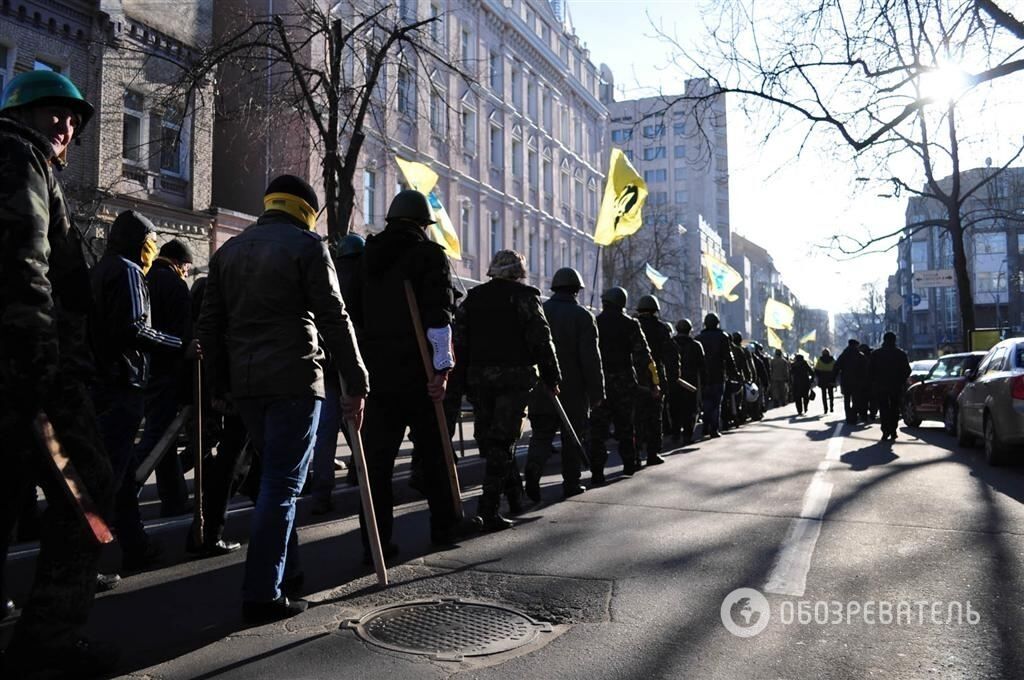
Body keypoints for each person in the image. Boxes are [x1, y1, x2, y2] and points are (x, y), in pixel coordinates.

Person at [198, 174, 368, 623]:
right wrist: (357, 381)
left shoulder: (230, 250)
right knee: (282, 487)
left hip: (246, 385)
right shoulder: (309, 247)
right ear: (306, 210)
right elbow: (334, 316)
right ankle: (262, 593)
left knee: (276, 485)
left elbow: (210, 324)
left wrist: (218, 387)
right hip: (295, 379)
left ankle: (287, 575)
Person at [0, 69, 118, 677]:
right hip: (29, 373)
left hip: (20, 369)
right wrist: (42, 370)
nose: (67, 125)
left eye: (74, 118)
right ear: (21, 111)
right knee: (87, 495)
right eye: (54, 111)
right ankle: (47, 640)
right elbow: (26, 269)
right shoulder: (20, 159)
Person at [347, 189, 478, 552]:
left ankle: (374, 541)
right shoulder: (427, 256)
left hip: (377, 375)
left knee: (376, 465)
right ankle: (445, 529)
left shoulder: (365, 256)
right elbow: (439, 319)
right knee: (435, 456)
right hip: (418, 374)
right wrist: (442, 372)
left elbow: (353, 316)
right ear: (422, 224)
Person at [91, 210, 190, 573]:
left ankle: (137, 546)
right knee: (111, 479)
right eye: (150, 242)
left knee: (120, 477)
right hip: (123, 383)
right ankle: (85, 561)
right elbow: (134, 329)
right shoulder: (130, 272)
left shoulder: (102, 269)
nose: (152, 249)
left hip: (103, 382)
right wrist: (177, 343)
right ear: (139, 242)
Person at [459, 250, 560, 528]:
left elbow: (460, 341)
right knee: (503, 442)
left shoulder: (474, 298)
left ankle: (515, 497)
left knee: (494, 442)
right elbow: (541, 339)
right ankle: (489, 509)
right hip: (513, 380)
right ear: (519, 272)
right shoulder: (525, 297)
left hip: (480, 380)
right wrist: (552, 377)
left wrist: (461, 380)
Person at [525, 267, 604, 502]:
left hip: (541, 388)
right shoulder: (583, 316)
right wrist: (597, 392)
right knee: (572, 438)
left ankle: (533, 470)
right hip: (574, 392)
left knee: (540, 436)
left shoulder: (539, 311)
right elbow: (591, 359)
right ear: (576, 291)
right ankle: (571, 483)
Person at [134, 238, 194, 518]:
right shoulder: (175, 286)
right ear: (181, 264)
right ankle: (121, 491)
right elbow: (184, 338)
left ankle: (175, 499)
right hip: (168, 372)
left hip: (146, 369)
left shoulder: (145, 278)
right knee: (157, 437)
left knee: (165, 440)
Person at [309, 232, 366, 514]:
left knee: (326, 431)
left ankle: (322, 491)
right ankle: (360, 475)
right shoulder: (366, 278)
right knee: (357, 423)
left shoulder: (327, 273)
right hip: (354, 363)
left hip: (328, 366)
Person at [590, 287, 654, 480]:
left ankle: (597, 472)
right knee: (625, 426)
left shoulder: (595, 322)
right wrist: (652, 383)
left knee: (598, 430)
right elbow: (643, 355)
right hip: (624, 382)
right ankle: (629, 464)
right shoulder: (631, 324)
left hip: (600, 382)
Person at [634, 295, 676, 465]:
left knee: (636, 419)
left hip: (634, 379)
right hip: (655, 378)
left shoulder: (632, 325)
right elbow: (670, 356)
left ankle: (635, 455)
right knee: (655, 418)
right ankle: (653, 454)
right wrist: (671, 379)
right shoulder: (661, 329)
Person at [696, 313, 735, 438]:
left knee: (706, 401)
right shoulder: (722, 336)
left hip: (704, 376)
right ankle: (714, 429)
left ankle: (705, 427)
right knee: (716, 403)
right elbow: (728, 357)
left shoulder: (699, 337)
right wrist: (733, 372)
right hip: (718, 374)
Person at [869, 332, 912, 441]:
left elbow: (870, 370)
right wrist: (901, 380)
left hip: (881, 386)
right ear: (894, 340)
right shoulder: (900, 354)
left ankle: (885, 430)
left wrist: (875, 381)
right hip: (895, 386)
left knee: (883, 408)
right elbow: (907, 370)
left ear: (884, 340)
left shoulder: (876, 354)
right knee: (895, 408)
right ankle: (893, 430)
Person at [670, 319, 705, 444]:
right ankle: (687, 435)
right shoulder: (696, 345)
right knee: (690, 410)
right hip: (691, 383)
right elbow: (702, 365)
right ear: (690, 330)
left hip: (673, 381)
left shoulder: (670, 343)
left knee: (675, 409)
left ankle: (675, 434)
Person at [814, 348, 837, 414]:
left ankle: (825, 409)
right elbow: (836, 369)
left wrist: (819, 376)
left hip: (823, 379)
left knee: (824, 395)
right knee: (831, 394)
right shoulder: (833, 360)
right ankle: (831, 406)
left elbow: (816, 370)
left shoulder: (820, 360)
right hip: (830, 379)